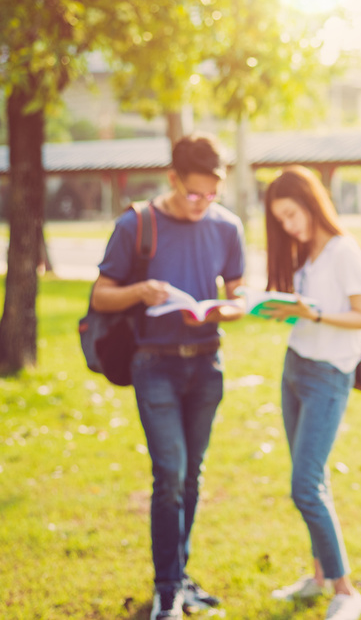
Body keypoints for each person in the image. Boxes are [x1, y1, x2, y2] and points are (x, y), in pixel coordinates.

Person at [91, 133, 246, 620]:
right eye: (194, 193)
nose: (203, 204)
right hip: (153, 364)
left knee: (192, 476)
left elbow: (240, 294)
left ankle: (178, 579)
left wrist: (230, 307)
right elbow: (101, 295)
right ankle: (165, 593)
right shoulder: (136, 224)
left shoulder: (227, 227)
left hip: (206, 363)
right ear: (173, 178)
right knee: (171, 474)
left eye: (212, 194)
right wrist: (140, 290)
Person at [261, 166, 361, 620]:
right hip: (295, 367)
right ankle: (319, 577)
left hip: (329, 374)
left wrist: (312, 312)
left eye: (292, 214)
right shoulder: (303, 251)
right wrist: (284, 310)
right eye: (281, 219)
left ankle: (347, 591)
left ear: (311, 202)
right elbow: (307, 312)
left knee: (305, 485)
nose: (289, 225)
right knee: (314, 479)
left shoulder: (343, 250)